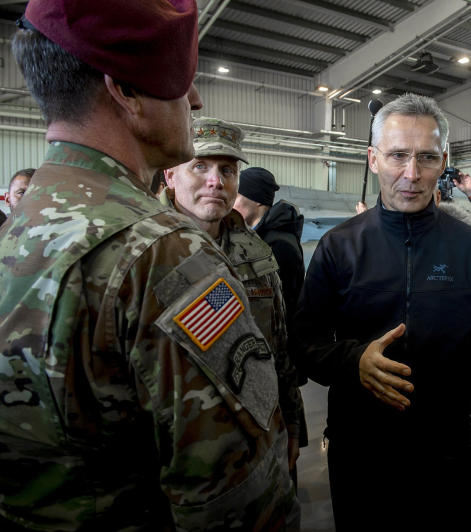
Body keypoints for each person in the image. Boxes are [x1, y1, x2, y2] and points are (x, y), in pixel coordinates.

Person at [0, 2, 298, 530]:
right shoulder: (161, 254)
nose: (196, 98)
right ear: (126, 91)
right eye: (181, 82)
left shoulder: (20, 229)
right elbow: (234, 497)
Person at [290, 93, 471, 532]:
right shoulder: (339, 246)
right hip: (360, 452)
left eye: (426, 158)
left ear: (443, 161)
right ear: (372, 158)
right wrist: (354, 361)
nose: (411, 174)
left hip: (443, 453)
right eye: (398, 156)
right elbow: (304, 343)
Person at [161, 118, 305, 486]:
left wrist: (290, 423)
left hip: (258, 441)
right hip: (178, 458)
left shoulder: (256, 252)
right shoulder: (145, 253)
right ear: (169, 176)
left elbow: (279, 348)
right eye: (200, 166)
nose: (216, 181)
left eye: (227, 170)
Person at [234, 167, 306, 329]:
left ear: (257, 200)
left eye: (237, 196)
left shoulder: (279, 245)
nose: (231, 203)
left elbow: (284, 303)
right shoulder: (255, 237)